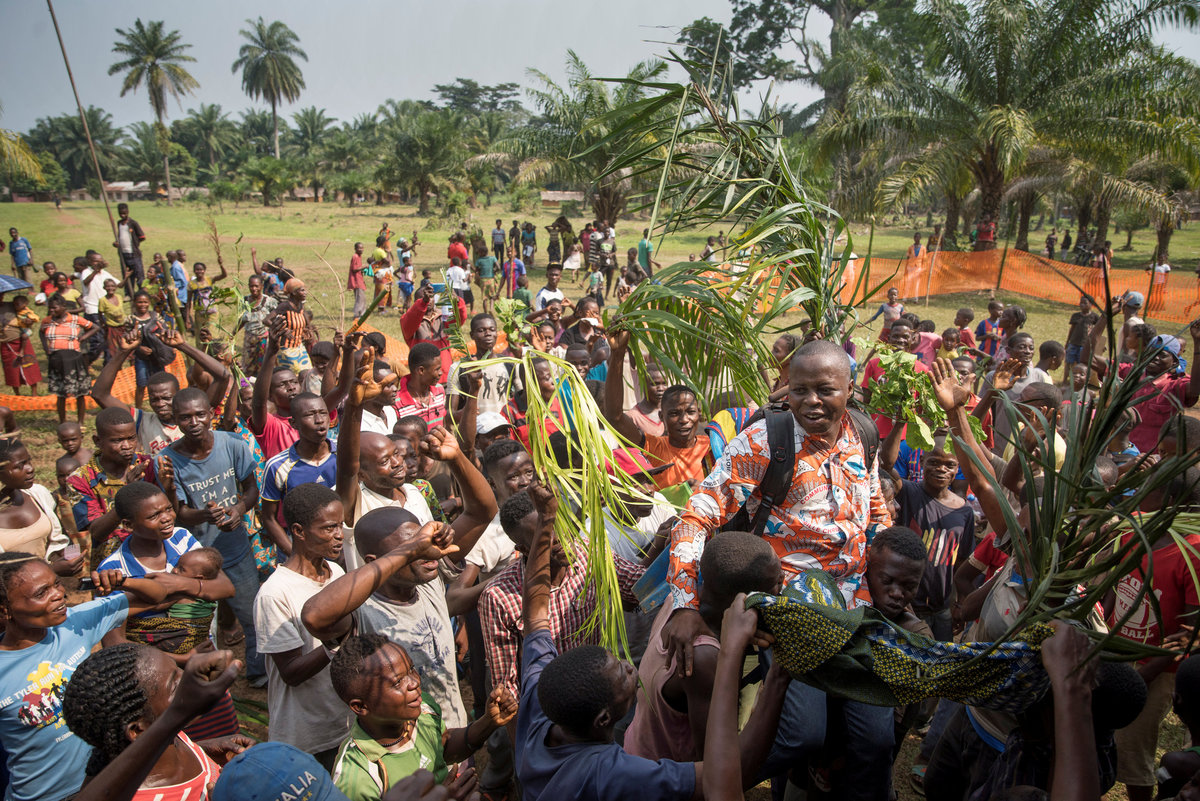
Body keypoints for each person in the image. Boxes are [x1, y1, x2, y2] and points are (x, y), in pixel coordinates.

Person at [661, 340, 893, 801]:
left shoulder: (864, 435)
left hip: (856, 607)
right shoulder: (766, 441)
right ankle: (700, 786)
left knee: (875, 741)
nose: (811, 401)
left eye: (825, 390)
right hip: (789, 611)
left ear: (849, 390)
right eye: (799, 389)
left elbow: (875, 514)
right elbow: (695, 516)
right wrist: (684, 604)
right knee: (801, 734)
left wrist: (887, 572)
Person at [301, 444, 497, 733]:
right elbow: (314, 616)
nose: (426, 551)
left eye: (423, 541)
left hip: (451, 733)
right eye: (413, 550)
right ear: (377, 561)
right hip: (404, 746)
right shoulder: (362, 613)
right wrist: (410, 551)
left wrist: (456, 457)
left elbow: (482, 511)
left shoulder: (428, 580)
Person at [0, 551, 170, 801]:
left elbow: (157, 596)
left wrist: (123, 581)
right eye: (41, 593)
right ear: (5, 611)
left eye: (57, 583)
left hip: (106, 783)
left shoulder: (74, 624)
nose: (58, 594)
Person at [625, 531, 784, 762]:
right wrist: (777, 681)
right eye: (776, 583)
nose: (782, 587)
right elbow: (714, 762)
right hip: (663, 774)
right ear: (744, 598)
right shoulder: (702, 658)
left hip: (638, 747)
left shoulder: (679, 604)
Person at [480, 484, 645, 697]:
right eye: (544, 535)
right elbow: (507, 685)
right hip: (548, 704)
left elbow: (639, 586)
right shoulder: (498, 597)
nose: (558, 538)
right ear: (524, 549)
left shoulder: (590, 553)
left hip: (597, 690)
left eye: (559, 525)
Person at [159, 388, 266, 686]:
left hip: (235, 546)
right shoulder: (167, 460)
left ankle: (259, 673)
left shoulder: (232, 443)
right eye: (185, 417)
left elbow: (251, 489)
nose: (194, 422)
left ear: (211, 414)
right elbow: (179, 513)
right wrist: (206, 515)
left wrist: (238, 510)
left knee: (253, 614)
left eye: (199, 415)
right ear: (175, 419)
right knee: (199, 624)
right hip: (194, 557)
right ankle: (206, 682)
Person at [329, 632, 517, 799]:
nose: (414, 683)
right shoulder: (356, 778)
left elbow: (442, 748)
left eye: (411, 669)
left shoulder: (422, 707)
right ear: (360, 706)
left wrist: (488, 722)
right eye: (397, 682)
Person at [1111, 467, 1200, 801]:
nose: (1138, 493)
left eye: (1147, 488)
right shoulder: (1135, 529)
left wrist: (1144, 676)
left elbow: (1189, 633)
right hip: (1116, 654)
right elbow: (1115, 582)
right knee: (1110, 739)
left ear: (1170, 500)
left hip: (1156, 670)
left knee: (1133, 751)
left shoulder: (1192, 553)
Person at [252, 484, 355, 770]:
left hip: (344, 723)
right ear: (299, 531)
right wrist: (335, 641)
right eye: (329, 528)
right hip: (308, 736)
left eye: (341, 526)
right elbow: (291, 672)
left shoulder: (335, 572)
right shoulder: (275, 594)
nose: (339, 535)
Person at [60, 646, 249, 801]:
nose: (188, 683)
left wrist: (202, 752)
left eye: (179, 669)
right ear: (138, 730)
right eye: (174, 686)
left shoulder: (168, 736)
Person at [879, 424, 975, 640]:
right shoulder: (908, 492)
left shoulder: (964, 511)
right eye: (934, 462)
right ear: (922, 462)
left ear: (957, 469)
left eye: (949, 465)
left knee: (941, 656)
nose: (941, 469)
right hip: (907, 606)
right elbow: (887, 464)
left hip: (942, 609)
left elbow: (961, 564)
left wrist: (960, 603)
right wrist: (900, 422)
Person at [93, 324, 229, 457]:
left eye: (166, 398)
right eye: (154, 399)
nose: (160, 404)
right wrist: (123, 352)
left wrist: (182, 346)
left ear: (177, 396)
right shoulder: (143, 421)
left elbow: (223, 376)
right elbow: (100, 394)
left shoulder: (197, 417)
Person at [605, 330, 712, 491]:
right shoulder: (653, 448)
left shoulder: (713, 448)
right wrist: (618, 354)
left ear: (699, 414)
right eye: (674, 414)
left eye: (690, 412)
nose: (684, 420)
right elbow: (615, 418)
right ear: (662, 416)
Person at [260, 393, 337, 556]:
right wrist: (296, 555)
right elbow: (269, 518)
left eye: (323, 413)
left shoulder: (344, 454)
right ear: (293, 423)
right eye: (310, 415)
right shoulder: (277, 466)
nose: (319, 420)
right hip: (302, 548)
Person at [0, 438, 71, 575]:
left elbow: (61, 536)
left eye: (28, 462)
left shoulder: (38, 495)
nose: (30, 469)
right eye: (19, 466)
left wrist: (72, 558)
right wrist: (51, 569)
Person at [975, 335, 1053, 450]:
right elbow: (981, 408)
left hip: (1027, 443)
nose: (1027, 351)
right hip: (1000, 442)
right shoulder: (995, 377)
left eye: (1031, 348)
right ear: (1008, 350)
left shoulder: (1039, 377)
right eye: (1022, 347)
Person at [39, 294, 95, 424]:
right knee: (61, 393)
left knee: (80, 393)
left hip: (74, 360)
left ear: (63, 307)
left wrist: (83, 338)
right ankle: (62, 422)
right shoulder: (47, 321)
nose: (51, 310)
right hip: (56, 360)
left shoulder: (75, 319)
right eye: (50, 308)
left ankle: (80, 422)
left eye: (54, 308)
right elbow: (41, 332)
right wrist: (45, 348)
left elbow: (94, 327)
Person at [400, 282, 468, 383]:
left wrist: (457, 302)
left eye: (430, 297)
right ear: (415, 303)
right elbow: (409, 323)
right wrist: (423, 302)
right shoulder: (409, 319)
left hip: (444, 375)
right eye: (422, 298)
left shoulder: (443, 318)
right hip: (422, 378)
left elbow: (459, 320)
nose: (428, 300)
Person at [396, 343, 448, 429]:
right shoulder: (397, 404)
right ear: (421, 370)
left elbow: (444, 424)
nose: (440, 373)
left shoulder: (439, 390)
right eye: (437, 369)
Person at [270, 278, 315, 374]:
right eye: (302, 290)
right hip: (286, 349)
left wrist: (308, 329)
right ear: (294, 292)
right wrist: (283, 330)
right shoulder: (285, 306)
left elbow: (304, 316)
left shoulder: (300, 305)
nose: (305, 293)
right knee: (294, 374)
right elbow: (267, 320)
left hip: (299, 347)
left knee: (308, 372)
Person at [0, 294, 41, 395]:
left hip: (20, 341)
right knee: (11, 369)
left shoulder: (12, 305)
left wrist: (29, 322)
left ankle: (34, 393)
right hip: (5, 343)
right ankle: (17, 394)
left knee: (29, 365)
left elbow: (26, 315)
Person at [113, 203, 146, 294]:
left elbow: (142, 236)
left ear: (128, 212)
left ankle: (142, 293)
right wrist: (116, 243)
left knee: (139, 274)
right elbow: (120, 237)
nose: (123, 215)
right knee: (127, 274)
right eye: (121, 213)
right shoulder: (119, 223)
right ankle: (129, 293)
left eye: (124, 213)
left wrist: (135, 244)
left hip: (134, 254)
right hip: (123, 254)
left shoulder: (133, 223)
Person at [1064, 296, 1099, 372]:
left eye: (1085, 303)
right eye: (1081, 303)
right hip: (1073, 343)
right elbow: (1072, 330)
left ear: (1091, 304)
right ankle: (1065, 378)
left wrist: (1098, 344)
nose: (1082, 305)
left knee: (1082, 363)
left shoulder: (1094, 317)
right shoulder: (1075, 316)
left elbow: (1098, 331)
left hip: (1085, 345)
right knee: (1068, 362)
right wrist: (1067, 342)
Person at [98, 278, 126, 362]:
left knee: (126, 347)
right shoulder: (102, 300)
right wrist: (104, 325)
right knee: (113, 350)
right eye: (108, 286)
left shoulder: (119, 297)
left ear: (116, 287)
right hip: (112, 327)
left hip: (123, 326)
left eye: (113, 286)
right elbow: (100, 314)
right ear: (104, 288)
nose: (110, 288)